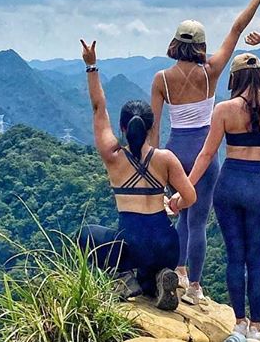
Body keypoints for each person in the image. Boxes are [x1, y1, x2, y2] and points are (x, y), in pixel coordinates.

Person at [150, 0, 260, 306]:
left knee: (180, 211)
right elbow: (236, 28)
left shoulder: (161, 79)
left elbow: (154, 127)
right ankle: (194, 286)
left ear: (175, 43)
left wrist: (152, 162)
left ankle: (177, 271)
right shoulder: (212, 71)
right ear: (201, 46)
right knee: (198, 221)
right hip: (205, 152)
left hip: (174, 151)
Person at [188, 32, 260, 342]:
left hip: (229, 183)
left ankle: (238, 324)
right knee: (257, 261)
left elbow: (207, 154)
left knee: (234, 258)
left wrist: (185, 189)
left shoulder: (224, 110)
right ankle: (256, 329)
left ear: (234, 79)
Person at [77, 39, 196, 311]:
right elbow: (190, 196)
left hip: (131, 245)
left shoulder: (114, 157)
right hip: (168, 246)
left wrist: (91, 66)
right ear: (151, 127)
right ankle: (158, 278)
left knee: (85, 234)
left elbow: (98, 108)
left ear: (122, 127)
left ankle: (124, 277)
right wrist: (174, 203)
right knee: (150, 263)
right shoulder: (165, 159)